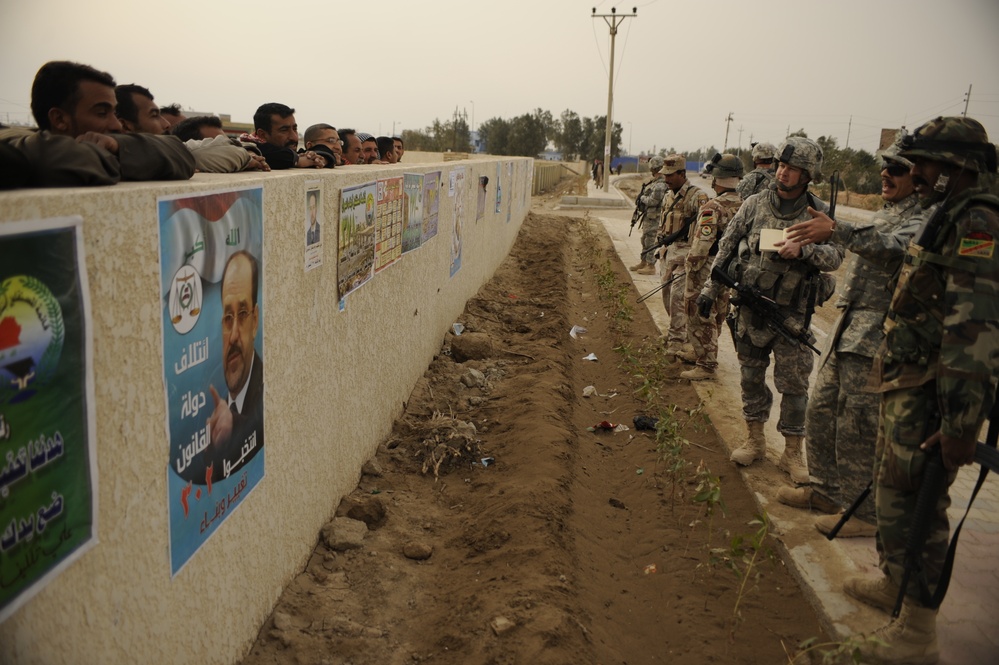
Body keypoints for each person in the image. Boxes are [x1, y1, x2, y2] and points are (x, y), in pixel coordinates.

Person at [842, 117, 998, 665]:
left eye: (925, 163)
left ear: (956, 165)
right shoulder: (951, 212)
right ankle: (894, 582)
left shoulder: (979, 220)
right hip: (909, 378)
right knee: (892, 493)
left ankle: (917, 631)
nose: (918, 172)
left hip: (936, 391)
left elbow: (972, 331)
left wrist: (960, 425)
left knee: (919, 505)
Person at [775, 138, 923, 533]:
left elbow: (897, 249)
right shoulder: (888, 212)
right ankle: (826, 490)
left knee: (857, 423)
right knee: (821, 411)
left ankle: (863, 514)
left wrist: (836, 229)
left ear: (918, 176)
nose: (885, 174)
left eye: (897, 169)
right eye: (885, 167)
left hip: (877, 333)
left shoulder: (923, 217)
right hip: (849, 328)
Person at [697, 137, 843, 480]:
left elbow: (836, 257)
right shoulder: (754, 205)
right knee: (750, 377)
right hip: (751, 309)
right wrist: (709, 289)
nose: (783, 173)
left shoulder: (817, 212)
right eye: (781, 166)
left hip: (791, 315)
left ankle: (793, 453)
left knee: (794, 388)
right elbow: (727, 248)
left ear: (808, 175)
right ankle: (755, 440)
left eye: (792, 169)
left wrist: (804, 251)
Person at [0, 60, 194, 187]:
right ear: (59, 119)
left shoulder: (112, 141)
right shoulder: (20, 146)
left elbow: (180, 153)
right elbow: (59, 158)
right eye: (101, 113)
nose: (116, 125)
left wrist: (118, 147)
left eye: (114, 113)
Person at [681, 153, 744, 381]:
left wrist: (690, 267)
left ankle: (706, 364)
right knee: (718, 310)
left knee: (699, 313)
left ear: (716, 179)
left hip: (708, 267)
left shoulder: (712, 207)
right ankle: (704, 353)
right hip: (731, 270)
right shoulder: (747, 205)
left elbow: (701, 245)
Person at [206, 250, 265, 482]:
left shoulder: (263, 385)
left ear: (256, 321)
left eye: (242, 314)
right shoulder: (218, 404)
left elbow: (260, 420)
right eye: (228, 318)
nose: (233, 336)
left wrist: (234, 426)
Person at [657, 154, 709, 357]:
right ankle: (677, 332)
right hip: (669, 253)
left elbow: (706, 228)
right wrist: (658, 247)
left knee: (679, 297)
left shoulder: (698, 196)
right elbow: (664, 224)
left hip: (686, 254)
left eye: (670, 175)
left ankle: (677, 340)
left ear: (682, 173)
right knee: (667, 295)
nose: (666, 179)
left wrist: (696, 256)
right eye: (665, 174)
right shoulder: (668, 195)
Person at [249, 103, 325, 170]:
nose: (294, 137)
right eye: (284, 130)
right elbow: (273, 155)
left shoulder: (289, 152)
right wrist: (297, 160)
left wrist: (319, 159)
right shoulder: (249, 152)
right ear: (262, 135)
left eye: (295, 129)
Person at [630, 155, 667, 276]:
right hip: (649, 216)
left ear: (655, 168)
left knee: (651, 241)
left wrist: (642, 198)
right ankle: (644, 262)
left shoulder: (660, 185)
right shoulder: (655, 182)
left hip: (654, 218)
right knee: (644, 240)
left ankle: (651, 266)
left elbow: (653, 201)